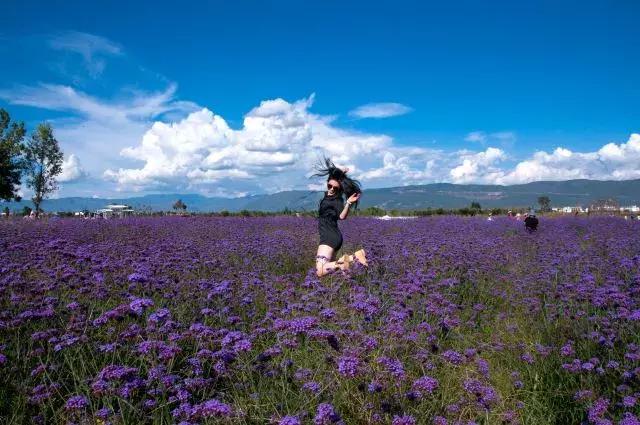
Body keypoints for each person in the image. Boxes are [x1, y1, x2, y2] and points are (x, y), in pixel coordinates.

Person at [313, 158, 367, 277]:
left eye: (335, 188)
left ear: (339, 190)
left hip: (329, 237)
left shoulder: (337, 200)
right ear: (327, 183)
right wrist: (340, 172)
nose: (332, 189)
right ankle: (349, 265)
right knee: (329, 270)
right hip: (332, 236)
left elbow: (342, 217)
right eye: (329, 186)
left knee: (319, 271)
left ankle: (351, 258)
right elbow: (333, 175)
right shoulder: (328, 195)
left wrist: (348, 203)